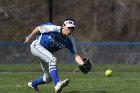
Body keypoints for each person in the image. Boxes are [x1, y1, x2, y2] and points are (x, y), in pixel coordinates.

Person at [24, 18, 84, 93]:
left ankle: (33, 84)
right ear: (63, 25)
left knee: (48, 78)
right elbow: (38, 28)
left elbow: (75, 55)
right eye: (69, 28)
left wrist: (82, 64)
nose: (70, 30)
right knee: (52, 59)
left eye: (72, 29)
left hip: (45, 53)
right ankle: (57, 84)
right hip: (36, 46)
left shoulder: (70, 40)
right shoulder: (53, 28)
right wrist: (29, 36)